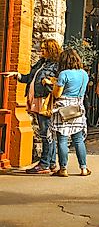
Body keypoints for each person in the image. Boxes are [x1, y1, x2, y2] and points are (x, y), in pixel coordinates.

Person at [2, 39, 61, 174]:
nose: (41, 51)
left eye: (44, 49)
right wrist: (17, 75)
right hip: (37, 99)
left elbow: (58, 84)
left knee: (46, 132)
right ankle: (51, 163)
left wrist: (48, 83)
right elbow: (30, 78)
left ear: (51, 50)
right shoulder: (41, 63)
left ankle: (44, 164)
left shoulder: (55, 66)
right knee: (47, 132)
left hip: (44, 101)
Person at [50, 49, 90, 177]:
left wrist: (52, 84)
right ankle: (83, 168)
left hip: (63, 109)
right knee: (78, 140)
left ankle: (63, 169)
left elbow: (57, 94)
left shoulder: (63, 74)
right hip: (78, 108)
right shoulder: (84, 74)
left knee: (62, 139)